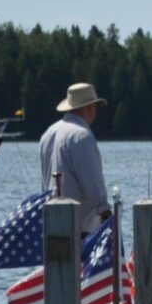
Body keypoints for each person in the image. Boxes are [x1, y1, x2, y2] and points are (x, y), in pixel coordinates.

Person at [39, 81, 109, 227]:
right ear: (89, 107)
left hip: (52, 225)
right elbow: (93, 184)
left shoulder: (48, 134)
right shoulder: (81, 136)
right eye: (95, 106)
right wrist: (106, 214)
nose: (96, 111)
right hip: (81, 228)